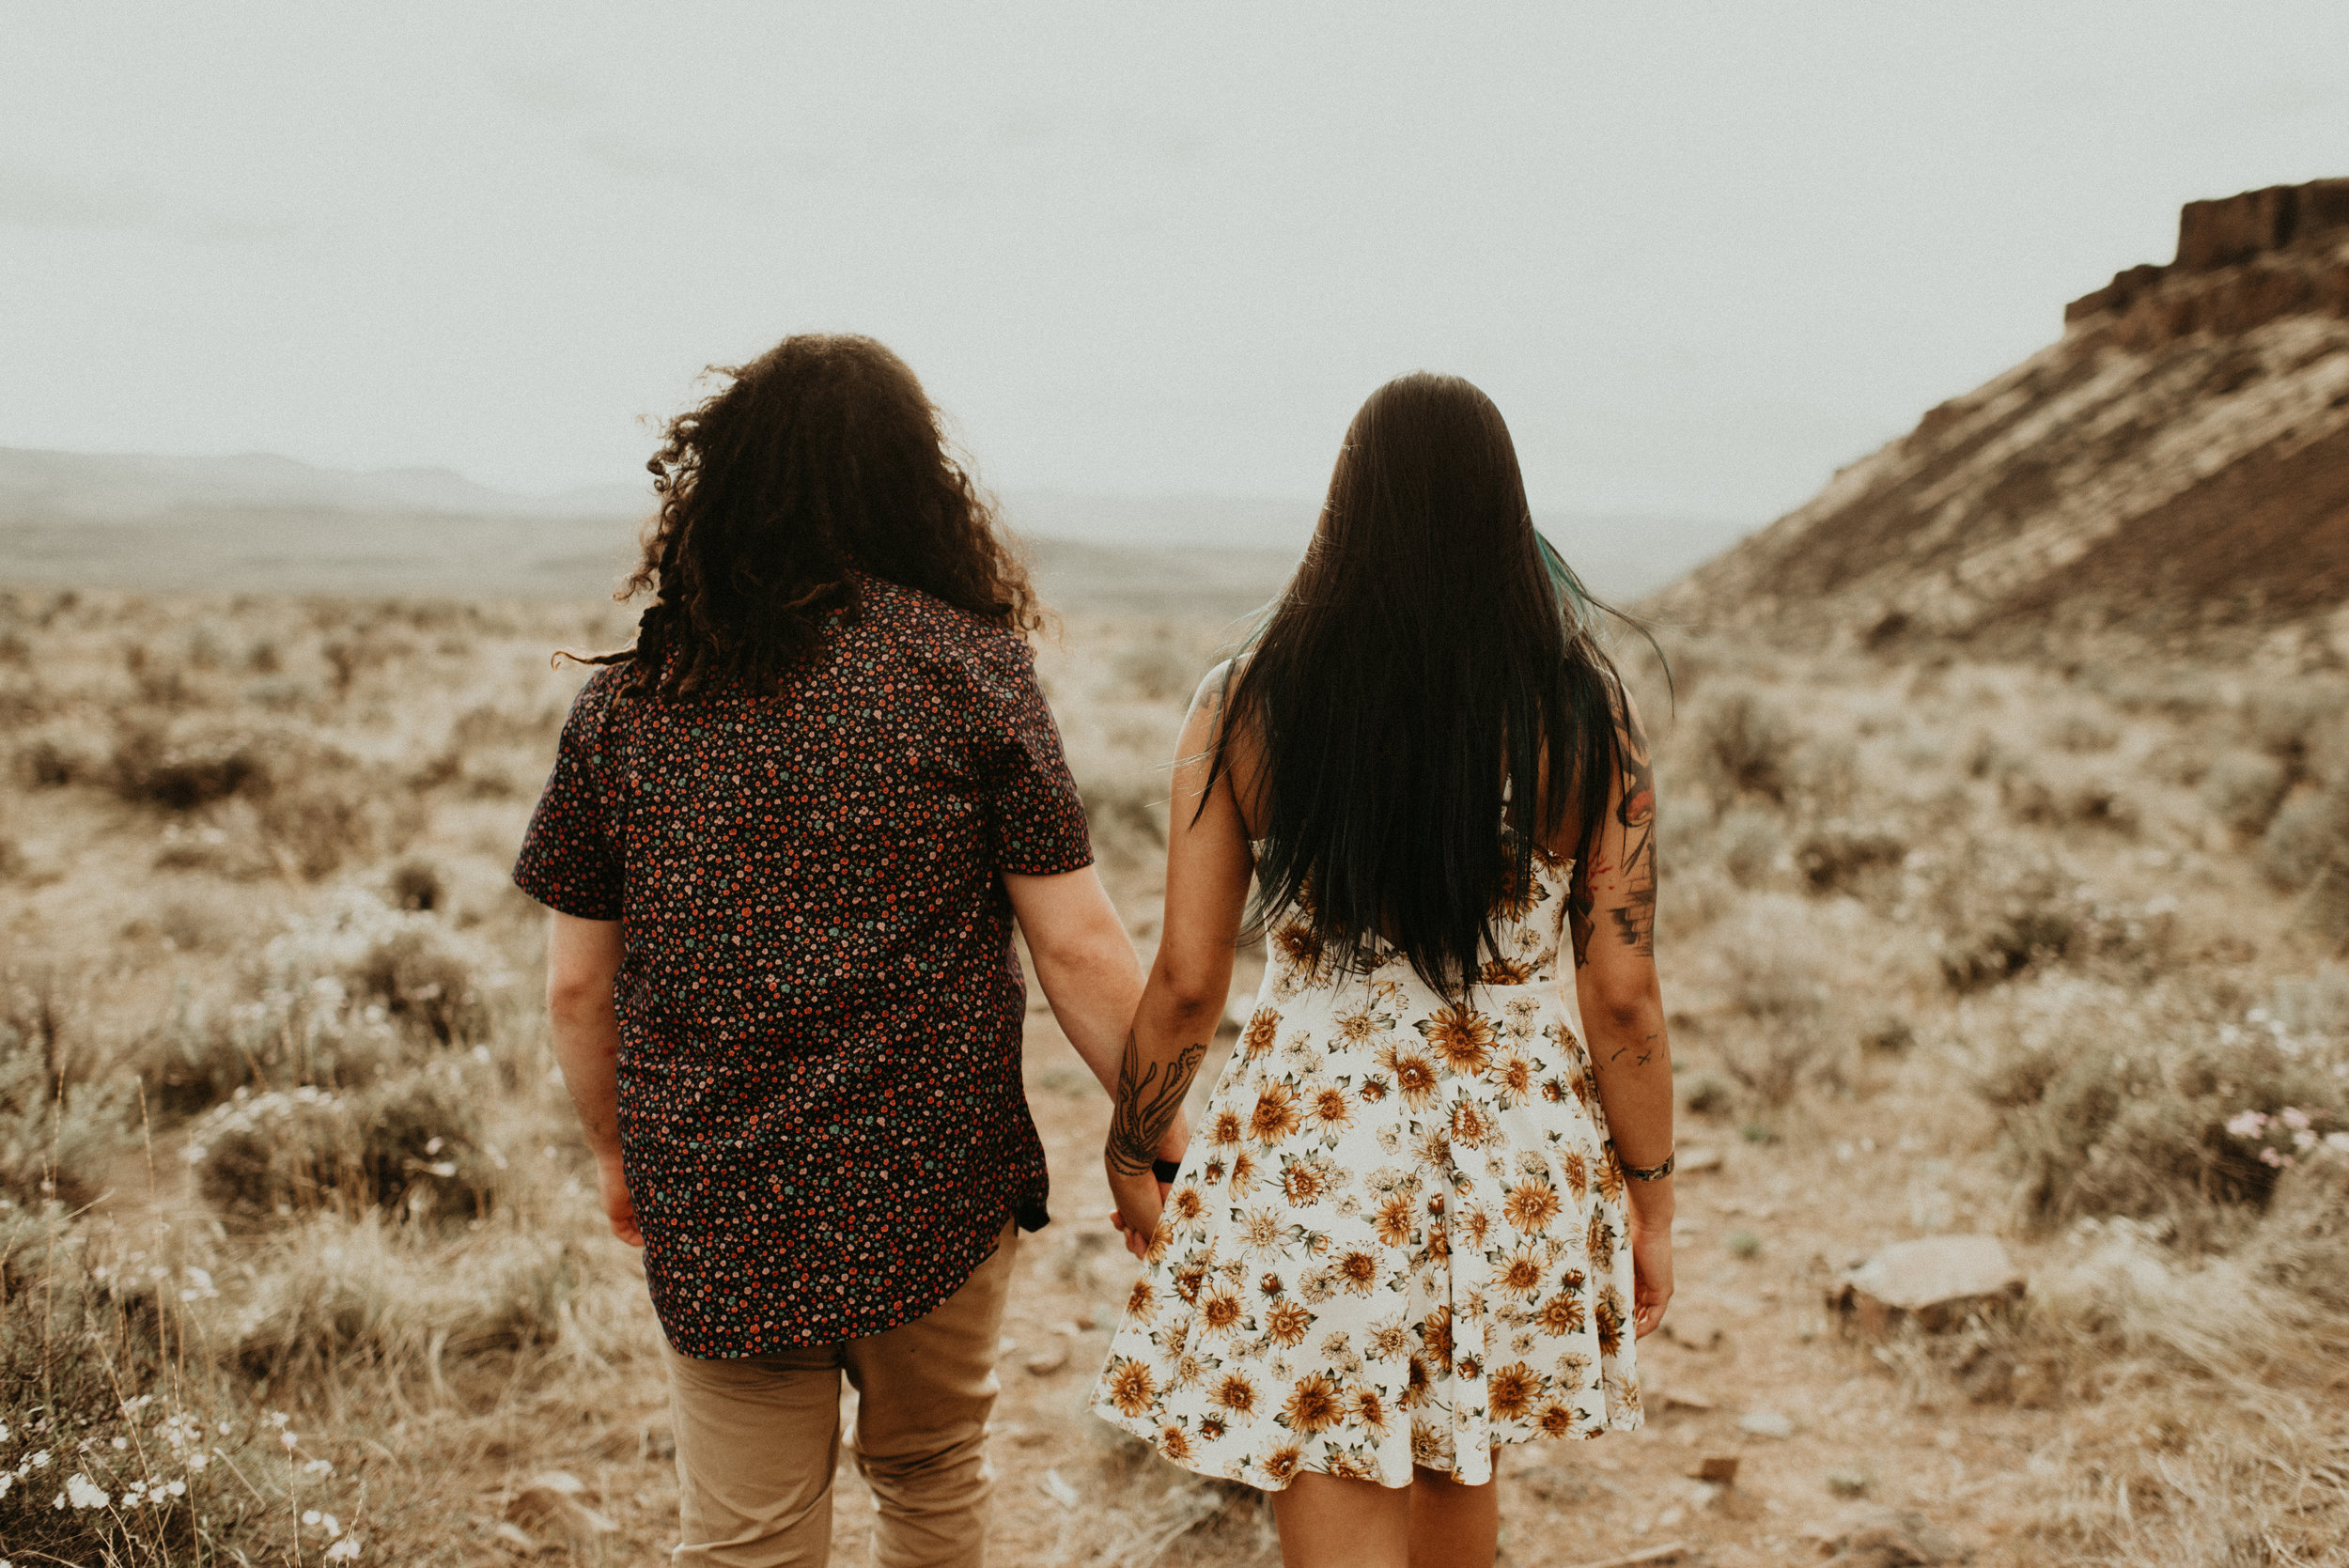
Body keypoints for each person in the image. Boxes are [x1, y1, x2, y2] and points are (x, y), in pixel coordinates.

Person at [514, 334, 1180, 1568]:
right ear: (911, 482)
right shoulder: (969, 667)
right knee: (933, 1481)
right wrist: (1164, 1137)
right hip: (932, 1178)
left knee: (748, 1537)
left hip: (716, 1188)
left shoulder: (628, 703)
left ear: (719, 488)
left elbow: (575, 984)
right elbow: (1082, 948)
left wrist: (620, 1152)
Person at [1086, 373, 1676, 1568]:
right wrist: (1651, 1197)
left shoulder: (1245, 698)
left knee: (1334, 1446)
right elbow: (1620, 993)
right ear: (1505, 514)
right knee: (1463, 1449)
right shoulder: (1583, 710)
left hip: (1318, 1143)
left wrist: (1130, 1136)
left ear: (1342, 508)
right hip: (1510, 1145)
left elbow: (1190, 978)